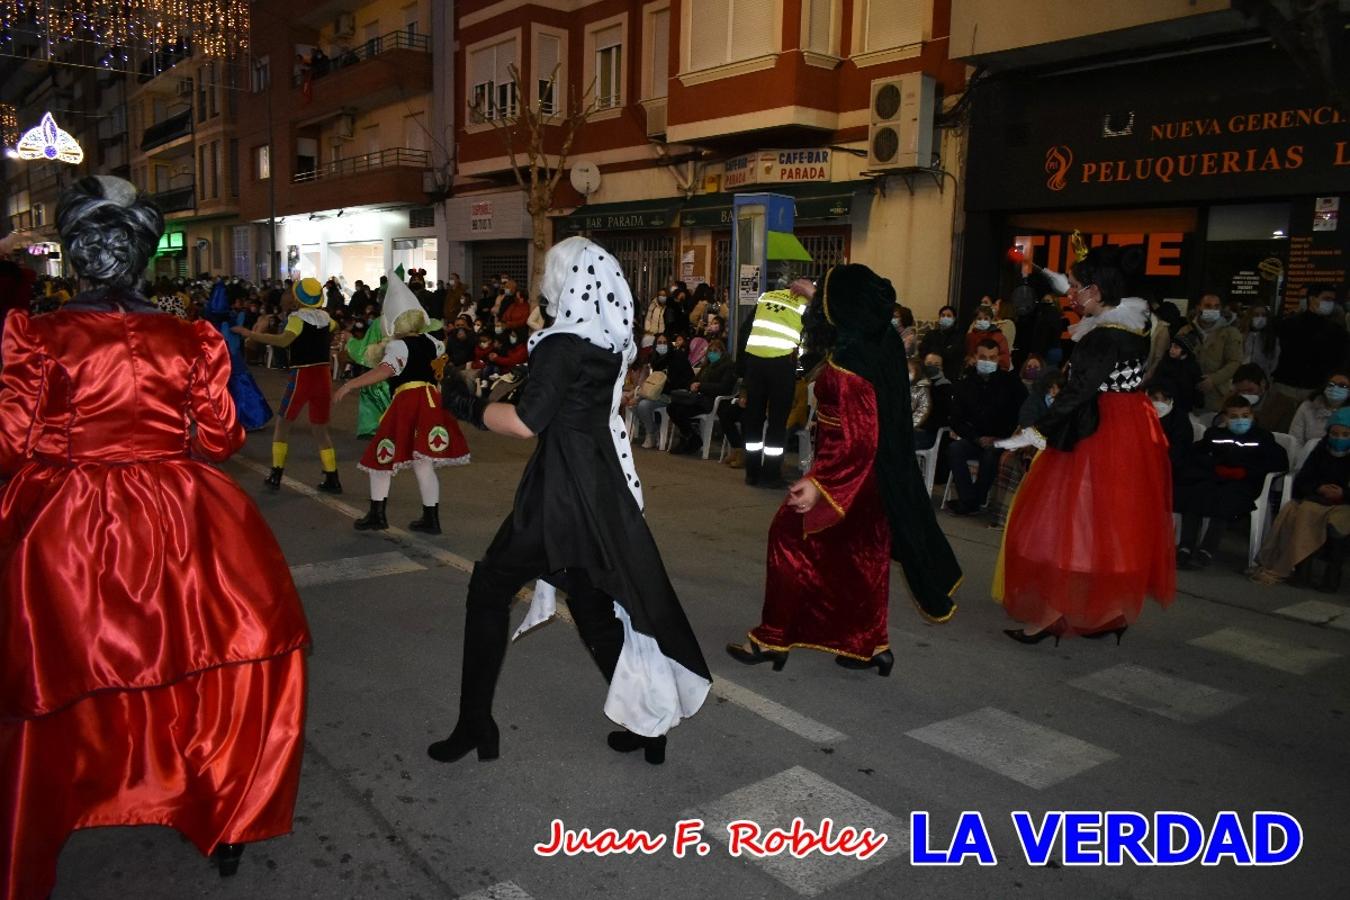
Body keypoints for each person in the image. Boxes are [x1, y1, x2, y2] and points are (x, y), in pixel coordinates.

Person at [0, 176, 309, 899]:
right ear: (142, 257)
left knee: (65, 671)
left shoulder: (34, 336)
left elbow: (10, 445)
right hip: (181, 512)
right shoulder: (192, 336)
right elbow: (225, 436)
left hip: (67, 520)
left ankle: (60, 807)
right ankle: (223, 808)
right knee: (210, 658)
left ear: (74, 257)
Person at [432, 236, 710, 766]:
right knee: (592, 603)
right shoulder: (608, 342)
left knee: (489, 588)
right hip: (601, 486)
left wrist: (463, 404)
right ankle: (649, 728)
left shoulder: (562, 343)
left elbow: (523, 422)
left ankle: (475, 725)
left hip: (560, 490)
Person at [725, 264, 962, 674]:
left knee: (786, 538)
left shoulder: (852, 365)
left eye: (827, 299)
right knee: (861, 559)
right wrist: (814, 294)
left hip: (848, 478)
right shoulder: (879, 338)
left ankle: (773, 638)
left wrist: (820, 484)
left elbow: (859, 438)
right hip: (876, 479)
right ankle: (868, 645)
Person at [993, 245, 1175, 644]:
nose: (1069, 294)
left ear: (1095, 290)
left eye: (1075, 287)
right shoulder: (1136, 325)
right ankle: (1110, 611)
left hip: (1097, 431)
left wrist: (1035, 431)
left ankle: (1052, 615)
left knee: (1068, 523)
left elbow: (1076, 392)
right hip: (1128, 427)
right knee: (1109, 521)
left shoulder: (1103, 337)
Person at [334, 275, 470, 533]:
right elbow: (440, 373)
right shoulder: (434, 342)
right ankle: (431, 519)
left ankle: (378, 514)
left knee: (380, 455)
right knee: (423, 462)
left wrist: (350, 384)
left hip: (408, 402)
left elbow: (384, 372)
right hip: (432, 402)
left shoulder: (399, 346)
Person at [233, 277, 343, 493]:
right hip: (323, 376)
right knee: (320, 428)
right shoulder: (326, 319)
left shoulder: (297, 319)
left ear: (298, 298)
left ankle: (276, 473)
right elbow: (335, 328)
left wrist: (251, 334)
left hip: (303, 375)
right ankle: (332, 477)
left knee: (283, 424)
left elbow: (283, 341)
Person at [1174, 395, 1288, 569]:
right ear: (1225, 418)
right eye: (1234, 416)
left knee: (1225, 500)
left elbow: (1277, 462)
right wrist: (1214, 467)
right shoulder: (1214, 435)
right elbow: (1197, 454)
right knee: (1195, 493)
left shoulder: (1262, 437)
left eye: (1245, 415)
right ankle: (1186, 546)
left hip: (1244, 483)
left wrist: (1246, 471)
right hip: (1215, 478)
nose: (1240, 420)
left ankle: (1206, 550)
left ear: (1252, 416)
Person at [1252, 408, 1350, 589]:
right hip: (1316, 499)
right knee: (1302, 512)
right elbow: (1302, 481)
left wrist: (1342, 493)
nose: (1339, 438)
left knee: (1337, 523)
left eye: (1345, 434)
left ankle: (1332, 576)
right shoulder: (1320, 451)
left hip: (1344, 504)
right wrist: (1319, 488)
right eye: (1335, 433)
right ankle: (1302, 570)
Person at [740, 279, 814, 487]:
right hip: (781, 365)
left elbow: (745, 330)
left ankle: (752, 473)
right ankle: (771, 474)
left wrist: (744, 372)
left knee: (753, 420)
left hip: (755, 363)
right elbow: (818, 334)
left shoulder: (767, 297)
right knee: (777, 423)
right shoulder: (805, 304)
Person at [946, 339, 1026, 514]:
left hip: (1002, 440)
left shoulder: (1011, 384)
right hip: (975, 438)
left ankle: (973, 501)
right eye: (983, 357)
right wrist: (976, 437)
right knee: (955, 449)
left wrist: (1001, 437)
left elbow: (1021, 415)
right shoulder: (965, 384)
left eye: (992, 357)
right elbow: (956, 419)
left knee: (990, 455)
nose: (988, 361)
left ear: (998, 359)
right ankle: (969, 500)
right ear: (975, 357)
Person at [986, 372, 1065, 529]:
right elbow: (1026, 419)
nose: (1054, 392)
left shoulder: (1065, 405)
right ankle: (1000, 515)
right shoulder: (1035, 399)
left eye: (1057, 388)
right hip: (1029, 440)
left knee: (1028, 465)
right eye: (1052, 388)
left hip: (1050, 447)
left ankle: (1021, 516)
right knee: (1008, 460)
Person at [204, 280, 273, 431]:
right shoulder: (229, 316)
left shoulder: (213, 314)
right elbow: (239, 331)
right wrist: (253, 335)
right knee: (241, 385)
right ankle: (247, 418)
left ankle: (222, 419)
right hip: (231, 355)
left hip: (217, 354)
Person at [1273, 284, 1348, 400]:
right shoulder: (1288, 324)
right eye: (1326, 299)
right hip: (1287, 388)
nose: (1330, 303)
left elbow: (1340, 361)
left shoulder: (1337, 331)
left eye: (1332, 300)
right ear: (1312, 299)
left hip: (1317, 390)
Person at [667, 338, 736, 454]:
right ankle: (690, 436)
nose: (712, 354)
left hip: (711, 401)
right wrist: (692, 385)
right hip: (698, 399)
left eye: (716, 351)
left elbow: (724, 388)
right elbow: (693, 380)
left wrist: (701, 386)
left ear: (722, 352)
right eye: (710, 351)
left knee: (681, 411)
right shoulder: (706, 365)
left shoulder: (728, 366)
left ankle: (691, 439)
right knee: (672, 407)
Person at [1176, 292, 1243, 411]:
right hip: (1187, 393)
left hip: (1217, 394)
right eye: (1208, 306)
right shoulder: (1185, 331)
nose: (1212, 309)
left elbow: (1234, 362)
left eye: (1216, 306)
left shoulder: (1230, 333)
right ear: (1198, 308)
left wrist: (1213, 379)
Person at [1213, 363, 1298, 434]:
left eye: (1250, 390)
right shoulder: (1231, 399)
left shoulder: (1283, 404)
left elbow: (1282, 437)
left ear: (1262, 384)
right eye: (1240, 391)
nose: (1245, 395)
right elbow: (1217, 424)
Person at [1149, 329, 1205, 416]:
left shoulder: (1193, 367)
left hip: (1181, 408)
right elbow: (1156, 379)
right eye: (1171, 346)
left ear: (1185, 351)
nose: (1171, 350)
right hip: (1162, 404)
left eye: (1176, 347)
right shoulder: (1166, 361)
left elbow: (1197, 389)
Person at [1290, 369, 1350, 446]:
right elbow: (1294, 440)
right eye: (1331, 384)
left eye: (1342, 386)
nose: (1335, 388)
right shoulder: (1307, 407)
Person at [919, 305, 964, 380]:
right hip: (929, 373)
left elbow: (952, 353)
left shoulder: (958, 336)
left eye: (949, 316)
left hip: (949, 375)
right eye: (943, 315)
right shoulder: (931, 334)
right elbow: (922, 351)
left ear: (954, 319)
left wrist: (934, 351)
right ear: (939, 318)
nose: (945, 317)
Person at [964, 305, 1012, 371]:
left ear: (991, 320)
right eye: (979, 318)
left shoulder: (999, 337)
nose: (982, 321)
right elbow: (965, 354)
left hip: (993, 373)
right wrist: (968, 360)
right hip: (973, 373)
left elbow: (1004, 359)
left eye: (986, 318)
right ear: (974, 320)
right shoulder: (969, 337)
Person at [1242, 303, 1280, 378]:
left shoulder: (1272, 338)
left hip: (1261, 379)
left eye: (1263, 315)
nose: (1260, 318)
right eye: (1256, 315)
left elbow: (1273, 362)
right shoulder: (1241, 335)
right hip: (1240, 378)